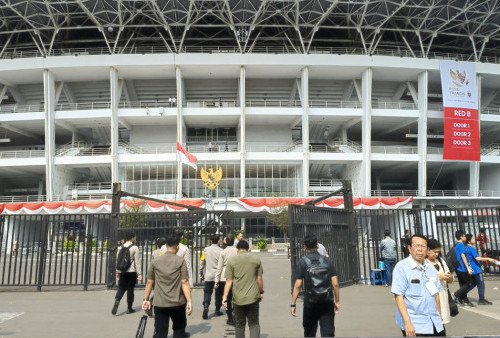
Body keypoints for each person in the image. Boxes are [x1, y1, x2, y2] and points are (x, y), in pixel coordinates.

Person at [391, 234, 445, 336]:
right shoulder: (402, 267)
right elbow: (398, 296)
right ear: (410, 248)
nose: (420, 250)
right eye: (416, 246)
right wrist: (407, 322)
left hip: (434, 322)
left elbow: (436, 294)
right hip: (415, 324)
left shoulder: (430, 267)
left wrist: (439, 316)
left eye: (423, 246)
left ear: (427, 249)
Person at [142, 234, 192, 338]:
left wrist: (146, 299)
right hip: (177, 302)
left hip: (160, 302)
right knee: (179, 330)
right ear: (177, 247)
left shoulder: (155, 261)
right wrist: (189, 301)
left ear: (166, 246)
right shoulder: (180, 261)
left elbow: (149, 282)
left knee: (160, 332)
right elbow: (185, 282)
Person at [291, 234, 339, 337]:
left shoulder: (303, 262)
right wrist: (337, 301)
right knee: (328, 333)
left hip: (310, 302)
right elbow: (335, 284)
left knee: (309, 333)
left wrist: (293, 304)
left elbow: (298, 285)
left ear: (305, 247)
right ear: (317, 246)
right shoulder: (327, 261)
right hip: (326, 301)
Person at [222, 240, 263, 338]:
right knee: (254, 324)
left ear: (237, 249)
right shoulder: (256, 259)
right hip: (253, 297)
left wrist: (224, 297)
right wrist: (261, 292)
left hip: (238, 298)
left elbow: (228, 281)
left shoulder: (232, 261)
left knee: (240, 325)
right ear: (248, 249)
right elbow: (259, 278)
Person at [112, 231, 142, 315]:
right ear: (132, 238)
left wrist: (117, 271)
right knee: (130, 290)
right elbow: (137, 261)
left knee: (121, 288)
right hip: (131, 271)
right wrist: (139, 273)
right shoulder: (134, 247)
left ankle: (117, 300)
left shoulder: (120, 247)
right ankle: (129, 308)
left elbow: (118, 260)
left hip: (122, 271)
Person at [426, 239, 453, 325]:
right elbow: (422, 278)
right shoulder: (423, 262)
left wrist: (449, 277)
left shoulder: (440, 260)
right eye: (434, 252)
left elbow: (450, 278)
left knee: (441, 321)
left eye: (438, 252)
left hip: (443, 293)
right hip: (430, 296)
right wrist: (438, 276)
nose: (436, 254)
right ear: (428, 249)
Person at [465, 234, 496, 305]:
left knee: (473, 283)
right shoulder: (471, 248)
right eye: (472, 238)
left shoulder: (466, 247)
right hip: (476, 269)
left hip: (471, 268)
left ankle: (460, 294)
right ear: (469, 241)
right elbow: (477, 258)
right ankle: (481, 299)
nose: (474, 239)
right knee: (481, 284)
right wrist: (488, 258)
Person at [215, 234, 238, 325]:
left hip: (224, 276)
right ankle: (235, 314)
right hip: (236, 275)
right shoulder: (237, 251)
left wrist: (216, 280)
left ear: (226, 241)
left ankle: (230, 317)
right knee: (235, 297)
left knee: (227, 298)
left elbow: (219, 267)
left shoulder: (223, 252)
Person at [200, 234, 223, 320]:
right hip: (218, 275)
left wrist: (201, 272)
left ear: (210, 241)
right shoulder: (221, 251)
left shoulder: (205, 250)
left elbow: (202, 262)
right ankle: (217, 310)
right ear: (218, 241)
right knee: (218, 293)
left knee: (207, 292)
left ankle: (206, 306)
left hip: (208, 275)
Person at [453, 230, 474, 307]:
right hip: (462, 267)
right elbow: (463, 256)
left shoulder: (456, 244)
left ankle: (463, 300)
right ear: (461, 237)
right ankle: (456, 295)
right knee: (468, 283)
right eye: (464, 236)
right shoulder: (461, 244)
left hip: (458, 267)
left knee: (462, 284)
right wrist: (468, 268)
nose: (465, 237)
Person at [148, 237, 167, 317]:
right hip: (163, 275)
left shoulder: (154, 252)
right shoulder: (166, 252)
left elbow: (151, 263)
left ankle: (151, 303)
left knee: (156, 291)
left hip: (155, 274)